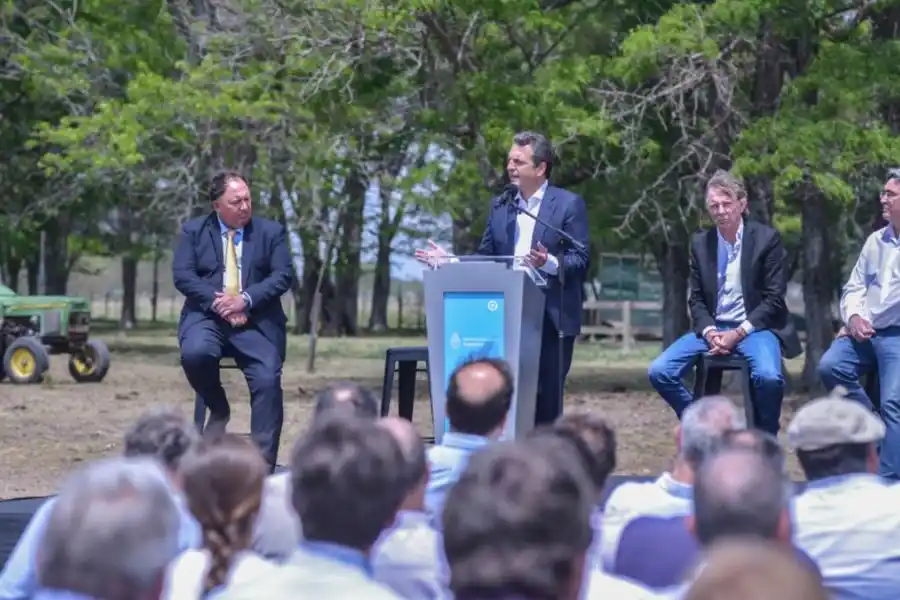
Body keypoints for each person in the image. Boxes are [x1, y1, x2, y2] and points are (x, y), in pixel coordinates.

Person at [415, 131, 590, 425]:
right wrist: (450, 260)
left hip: (551, 319)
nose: (510, 167)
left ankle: (545, 465)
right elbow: (488, 255)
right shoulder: (502, 205)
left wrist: (546, 262)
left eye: (518, 161)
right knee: (506, 396)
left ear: (541, 168)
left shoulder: (568, 205)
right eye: (509, 160)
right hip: (505, 316)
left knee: (546, 401)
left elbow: (580, 259)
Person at [648, 169, 801, 434]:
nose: (720, 210)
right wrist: (709, 331)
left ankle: (764, 439)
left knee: (768, 377)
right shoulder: (700, 243)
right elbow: (696, 299)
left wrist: (739, 332)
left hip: (755, 328)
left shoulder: (766, 239)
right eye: (713, 205)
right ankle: (703, 428)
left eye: (726, 203)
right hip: (713, 327)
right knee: (660, 371)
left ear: (742, 204)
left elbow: (774, 298)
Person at [173, 170, 294, 470]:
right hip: (207, 317)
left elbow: (282, 276)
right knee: (195, 353)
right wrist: (220, 303)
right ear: (217, 205)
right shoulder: (193, 232)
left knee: (267, 378)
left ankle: (262, 469)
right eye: (235, 201)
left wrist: (245, 299)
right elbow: (183, 275)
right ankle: (219, 407)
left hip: (256, 321)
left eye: (247, 199)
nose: (244, 207)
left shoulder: (271, 232)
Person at [818, 169, 900, 479]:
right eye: (883, 193)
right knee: (831, 367)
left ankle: (890, 483)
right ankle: (876, 432)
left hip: (896, 335)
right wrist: (852, 317)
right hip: (866, 331)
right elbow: (854, 287)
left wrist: (863, 320)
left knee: (895, 401)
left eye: (889, 194)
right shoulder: (875, 241)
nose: (883, 199)